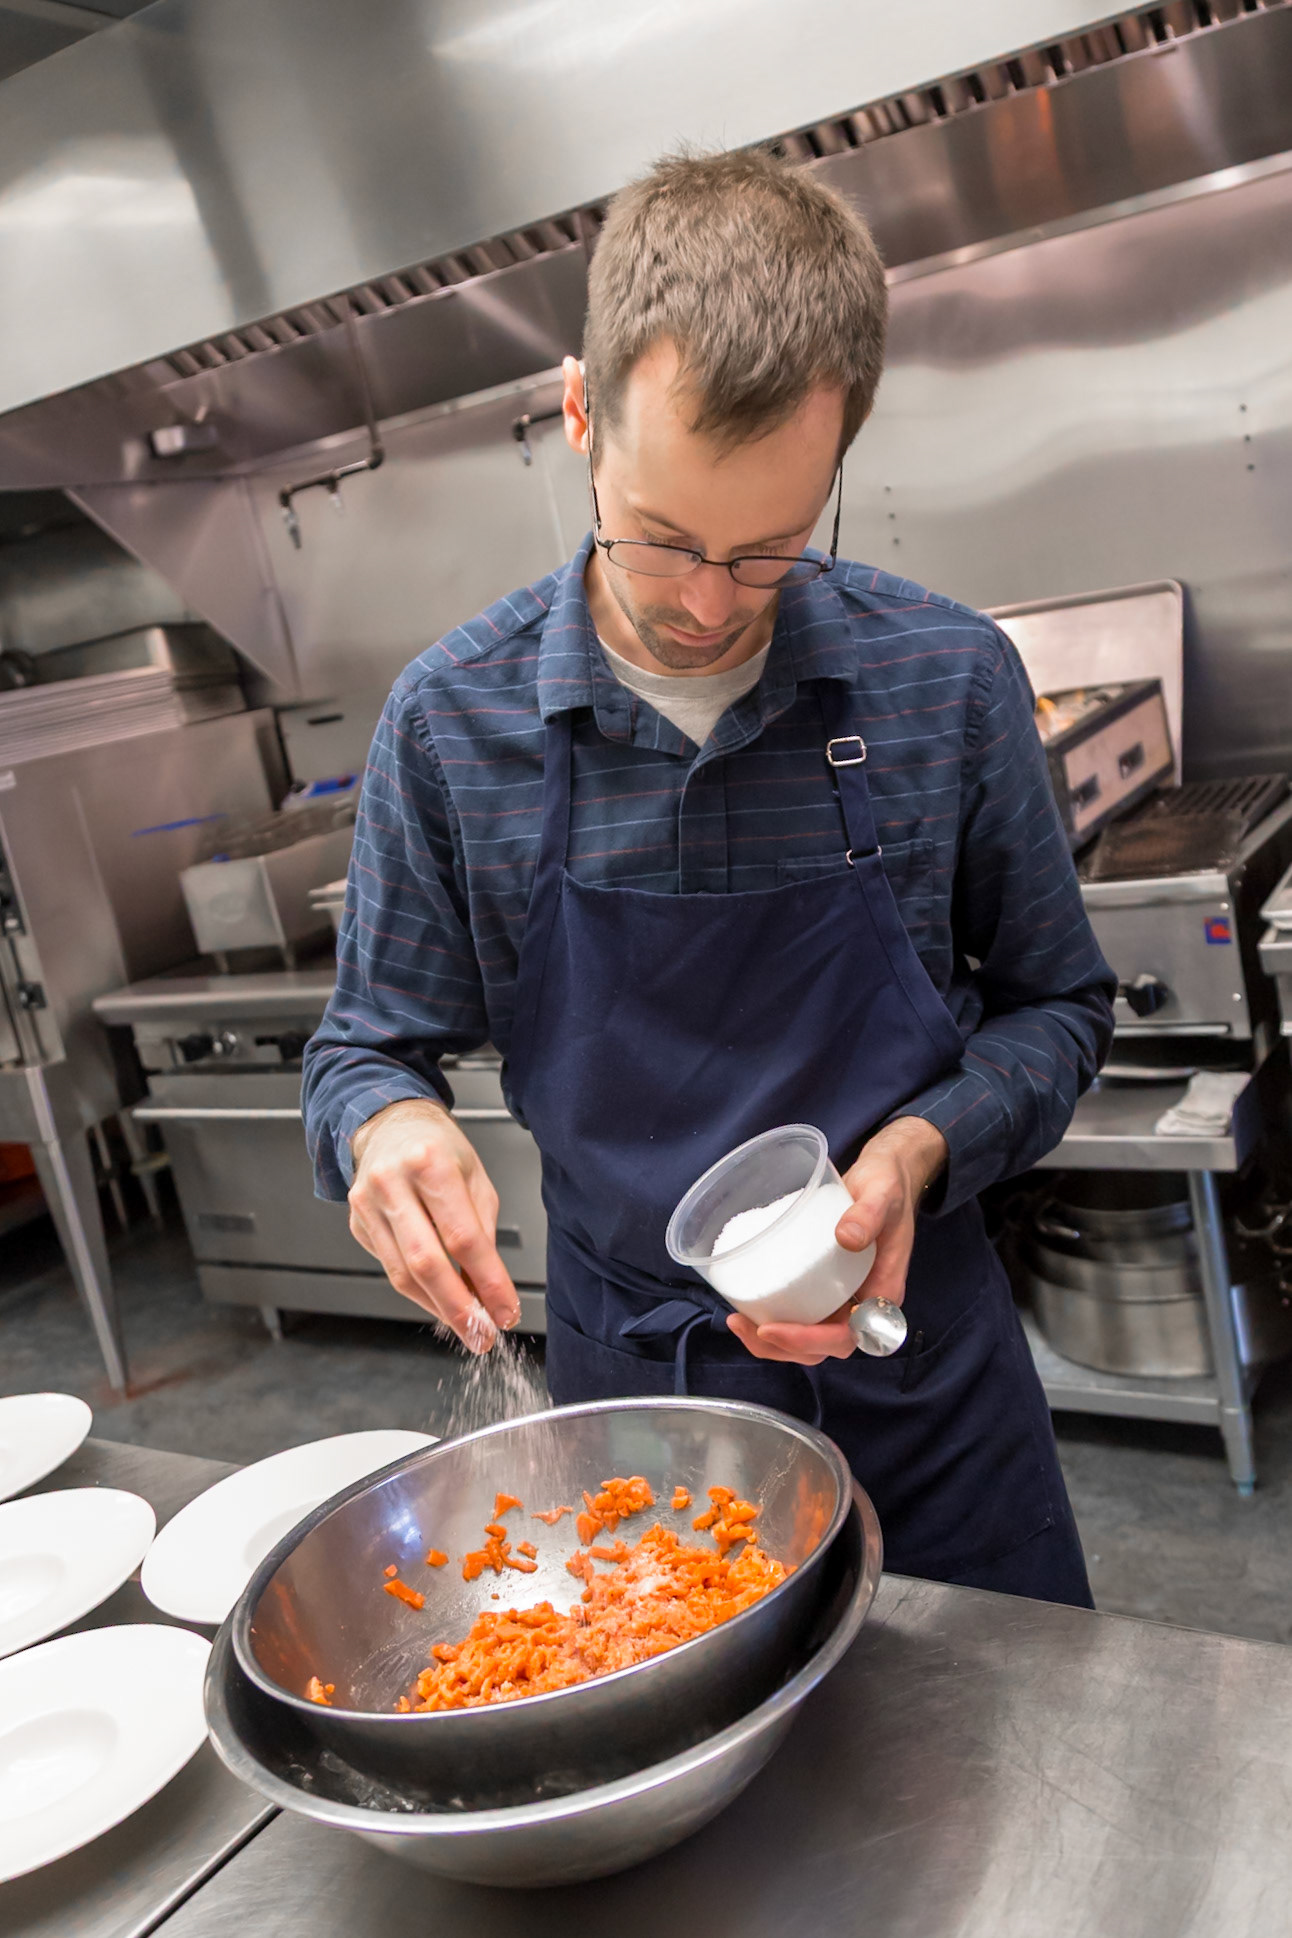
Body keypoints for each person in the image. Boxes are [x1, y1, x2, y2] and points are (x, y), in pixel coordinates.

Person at [302, 148, 1115, 1607]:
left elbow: (1060, 1006)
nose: (704, 605)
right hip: (645, 1413)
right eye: (664, 537)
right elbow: (366, 1047)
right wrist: (384, 1132)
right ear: (576, 415)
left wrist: (923, 1150)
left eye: (770, 554)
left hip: (918, 1379)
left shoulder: (948, 681)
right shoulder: (450, 725)